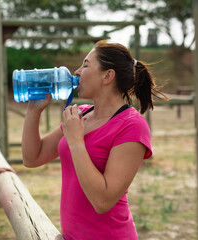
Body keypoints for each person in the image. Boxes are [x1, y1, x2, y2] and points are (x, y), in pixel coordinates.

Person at [21, 40, 167, 240]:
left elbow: (103, 201)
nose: (77, 71)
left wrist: (76, 142)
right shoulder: (80, 115)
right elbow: (32, 158)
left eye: (86, 65)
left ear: (107, 76)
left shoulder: (132, 126)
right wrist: (33, 110)